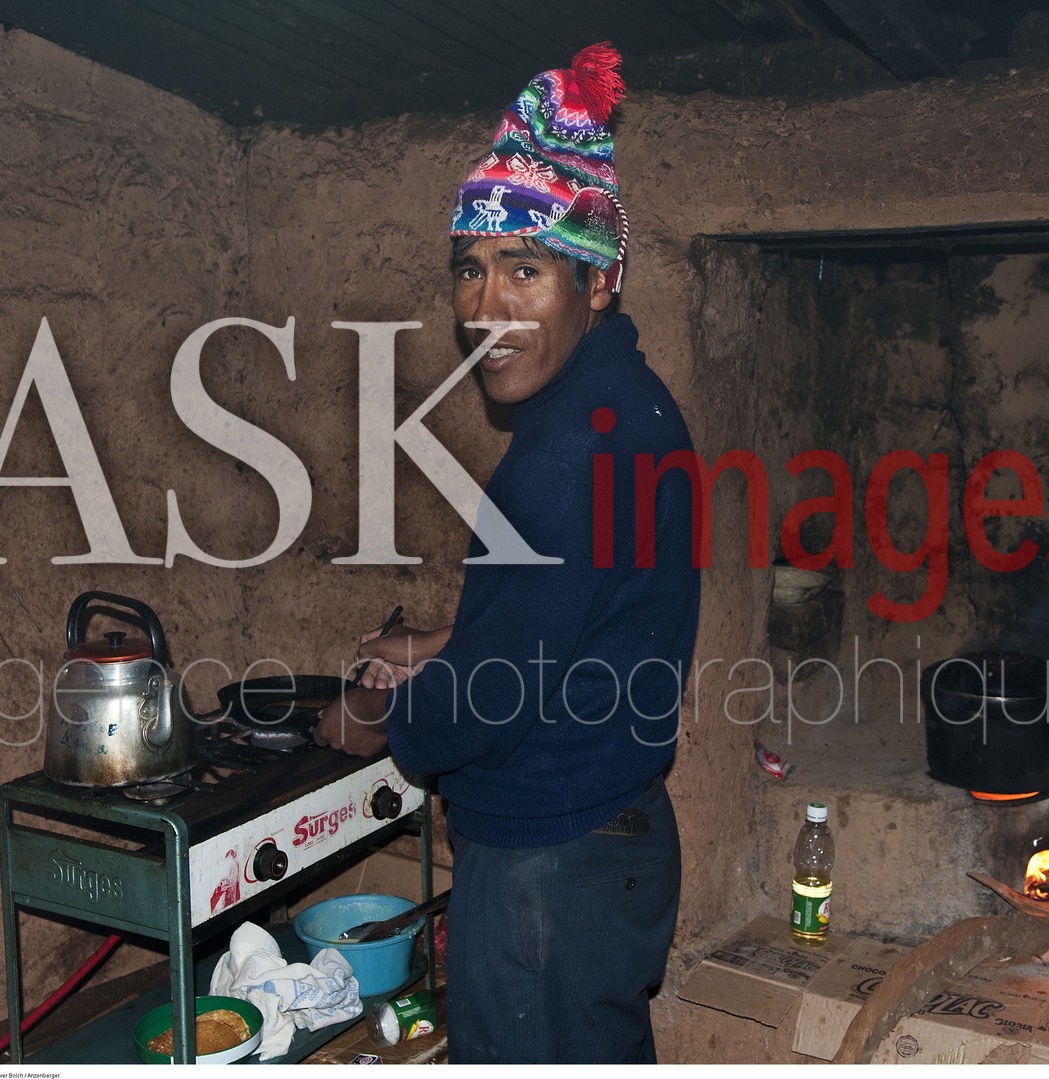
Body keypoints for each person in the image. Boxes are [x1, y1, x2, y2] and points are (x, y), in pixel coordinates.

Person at [316, 44, 700, 1064]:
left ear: (596, 281)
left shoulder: (562, 455)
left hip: (546, 870)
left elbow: (490, 700)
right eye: (470, 270)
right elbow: (585, 607)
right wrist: (441, 642)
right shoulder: (633, 406)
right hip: (614, 837)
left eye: (525, 270)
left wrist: (379, 719)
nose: (486, 308)